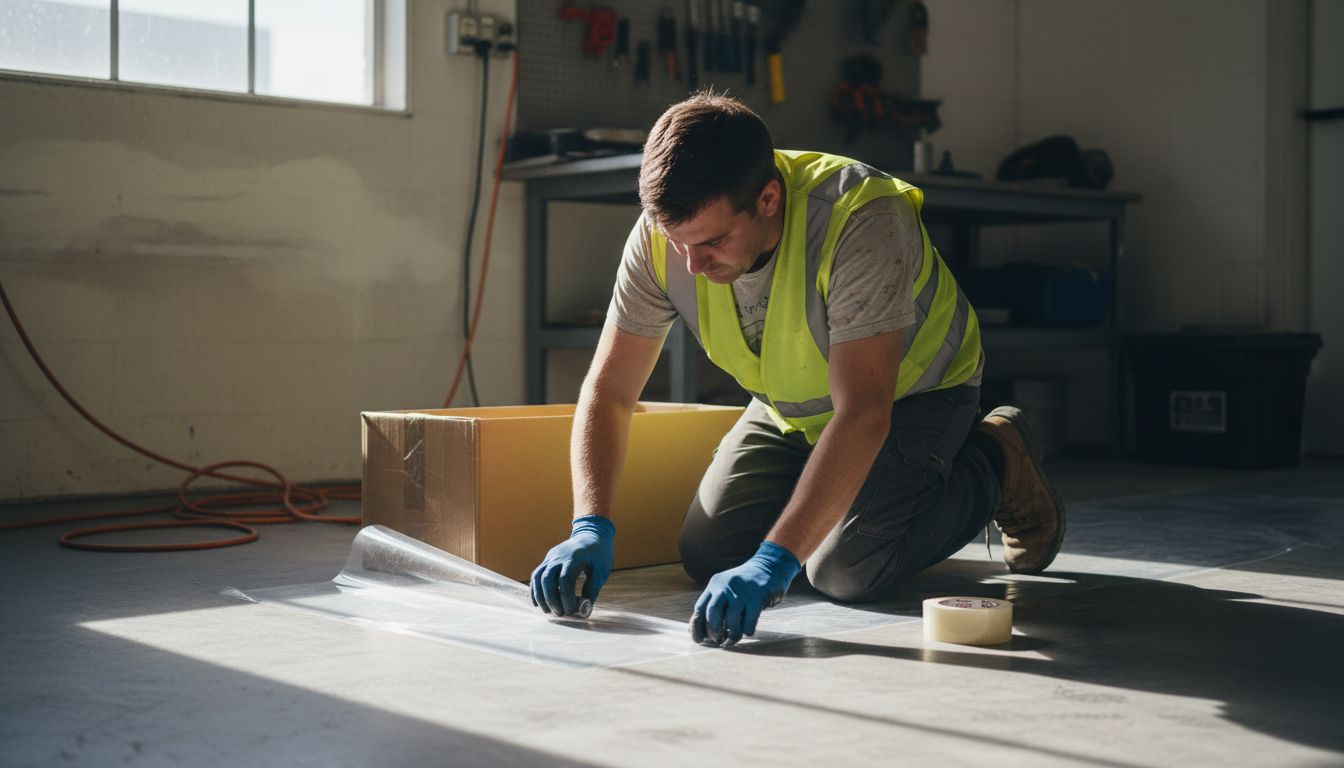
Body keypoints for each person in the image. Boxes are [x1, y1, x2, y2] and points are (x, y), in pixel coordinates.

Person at [530, 92, 1065, 647]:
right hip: (792, 405)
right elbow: (611, 390)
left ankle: (998, 459)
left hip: (916, 393)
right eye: (677, 242)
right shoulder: (663, 237)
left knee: (846, 568)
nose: (692, 265)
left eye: (713, 241)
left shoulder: (861, 217)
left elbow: (863, 412)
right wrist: (589, 525)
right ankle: (828, 501)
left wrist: (775, 560)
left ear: (767, 198)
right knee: (709, 554)